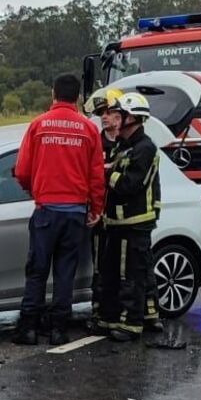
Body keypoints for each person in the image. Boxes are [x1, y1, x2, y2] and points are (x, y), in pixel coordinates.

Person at [13, 74, 105, 346]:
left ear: (53, 93)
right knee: (65, 273)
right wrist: (95, 208)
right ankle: (58, 330)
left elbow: (22, 171)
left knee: (37, 271)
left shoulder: (38, 126)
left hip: (46, 212)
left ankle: (28, 328)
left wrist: (35, 190)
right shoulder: (88, 129)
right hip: (75, 213)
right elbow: (96, 176)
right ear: (77, 97)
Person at [99, 92, 161, 342]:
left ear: (132, 117)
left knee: (132, 276)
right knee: (117, 273)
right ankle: (123, 317)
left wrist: (105, 175)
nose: (114, 118)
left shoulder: (145, 148)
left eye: (119, 114)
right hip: (116, 223)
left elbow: (130, 185)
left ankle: (131, 325)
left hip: (136, 223)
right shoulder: (122, 146)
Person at [83, 88, 124, 333]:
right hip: (100, 216)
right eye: (101, 114)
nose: (105, 117)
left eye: (109, 112)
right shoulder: (94, 141)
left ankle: (123, 313)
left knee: (124, 269)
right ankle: (99, 313)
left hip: (124, 218)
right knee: (100, 268)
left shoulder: (127, 143)